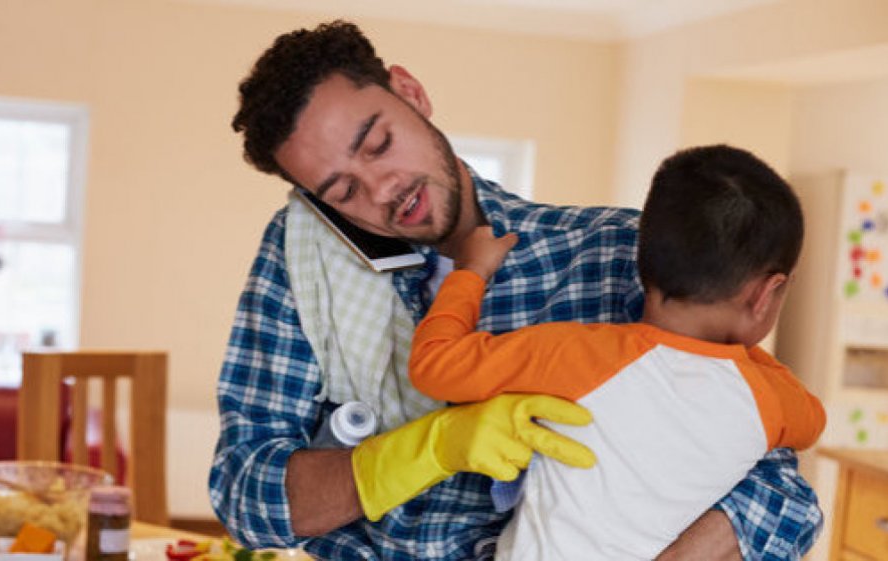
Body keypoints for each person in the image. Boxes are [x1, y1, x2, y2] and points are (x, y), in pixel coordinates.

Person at [211, 19, 823, 561]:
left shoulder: (609, 254)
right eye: (342, 192)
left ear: (411, 93)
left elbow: (779, 496)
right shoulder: (308, 265)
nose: (382, 189)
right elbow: (246, 498)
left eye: (379, 144)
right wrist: (424, 450)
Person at [407, 144, 826, 560]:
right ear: (766, 293)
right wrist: (741, 355)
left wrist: (470, 272)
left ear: (642, 259)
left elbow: (434, 365)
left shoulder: (577, 354)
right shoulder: (771, 400)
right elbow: (812, 421)